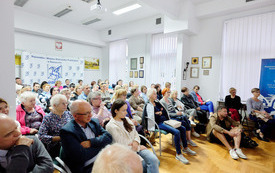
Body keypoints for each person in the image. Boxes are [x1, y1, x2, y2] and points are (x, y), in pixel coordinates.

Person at [143, 88, 196, 164]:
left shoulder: (157, 102)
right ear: (150, 95)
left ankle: (185, 147)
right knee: (177, 132)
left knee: (183, 128)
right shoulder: (149, 105)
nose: (156, 95)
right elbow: (153, 117)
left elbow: (163, 111)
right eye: (154, 94)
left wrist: (160, 113)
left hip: (165, 121)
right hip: (158, 124)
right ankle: (178, 154)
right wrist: (159, 113)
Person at [106, 99, 159, 173]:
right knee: (145, 165)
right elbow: (122, 145)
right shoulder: (111, 126)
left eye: (126, 110)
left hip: (135, 148)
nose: (126, 112)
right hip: (125, 154)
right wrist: (138, 147)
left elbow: (136, 134)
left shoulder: (126, 119)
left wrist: (136, 142)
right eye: (123, 110)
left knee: (154, 160)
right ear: (116, 111)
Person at [60, 100, 112, 173]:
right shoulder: (67, 131)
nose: (90, 115)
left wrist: (91, 142)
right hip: (85, 167)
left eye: (90, 112)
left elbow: (109, 137)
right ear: (75, 116)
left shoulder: (94, 122)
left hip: (101, 159)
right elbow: (81, 156)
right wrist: (101, 145)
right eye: (86, 113)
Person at [38, 94, 73, 159]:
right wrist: (59, 138)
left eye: (66, 103)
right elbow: (41, 136)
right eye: (63, 104)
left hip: (70, 142)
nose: (66, 105)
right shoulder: (48, 118)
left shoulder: (69, 114)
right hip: (56, 147)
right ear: (54, 105)